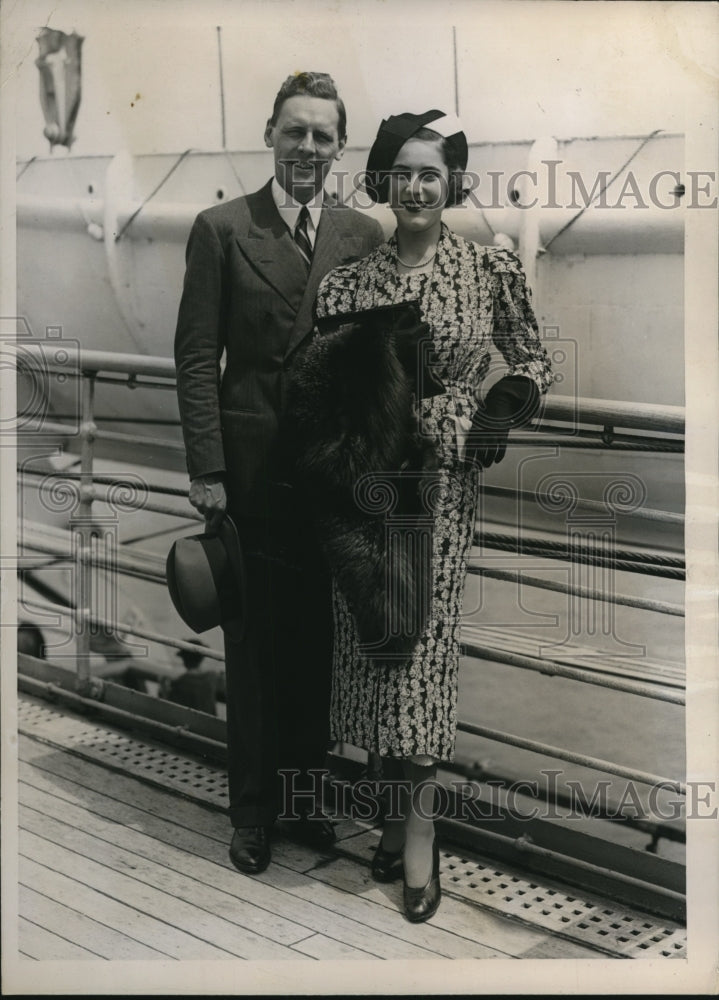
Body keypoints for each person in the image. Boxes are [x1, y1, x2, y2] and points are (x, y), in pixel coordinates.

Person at [301, 110, 554, 922]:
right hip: (361, 501)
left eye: (430, 173)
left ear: (451, 185)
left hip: (437, 503)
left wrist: (474, 421)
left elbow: (529, 364)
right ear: (382, 181)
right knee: (373, 657)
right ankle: (385, 829)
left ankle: (418, 847)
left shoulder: (486, 272)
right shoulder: (351, 282)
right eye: (402, 172)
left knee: (418, 671)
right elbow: (319, 397)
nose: (415, 186)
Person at [174, 72, 383, 876]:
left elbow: (373, 362)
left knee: (316, 649)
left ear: (339, 148)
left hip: (327, 480)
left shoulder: (360, 235)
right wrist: (208, 471)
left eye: (321, 136)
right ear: (269, 134)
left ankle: (303, 806)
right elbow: (197, 358)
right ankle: (253, 815)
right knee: (256, 651)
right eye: (293, 132)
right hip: (253, 479)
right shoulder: (222, 229)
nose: (306, 148)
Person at [161, 640, 218, 716]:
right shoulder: (211, 677)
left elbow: (170, 709)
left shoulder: (180, 683)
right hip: (210, 724)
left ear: (184, 660)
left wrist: (164, 688)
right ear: (201, 659)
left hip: (190, 725)